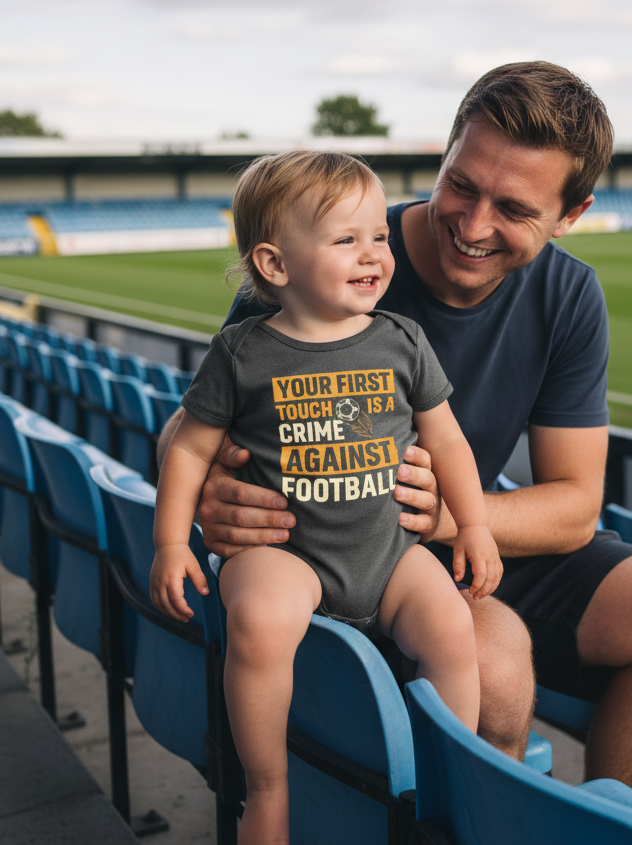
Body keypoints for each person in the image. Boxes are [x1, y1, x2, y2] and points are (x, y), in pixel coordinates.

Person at [161, 60, 632, 800]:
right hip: (334, 546)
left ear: (571, 214)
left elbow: (575, 504)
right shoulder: (330, 248)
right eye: (461, 185)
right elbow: (188, 429)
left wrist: (452, 514)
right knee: (494, 667)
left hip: (464, 531)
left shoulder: (568, 294)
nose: (472, 224)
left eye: (514, 208)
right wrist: (211, 488)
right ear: (445, 153)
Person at [151, 150, 502, 845]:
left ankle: (448, 777)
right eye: (346, 239)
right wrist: (169, 541)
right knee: (257, 620)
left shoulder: (403, 340)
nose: (373, 253)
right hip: (287, 552)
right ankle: (267, 790)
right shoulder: (240, 352)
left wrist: (474, 525)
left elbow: (448, 441)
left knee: (453, 629)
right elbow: (188, 449)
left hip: (390, 554)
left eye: (379, 235)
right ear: (275, 264)